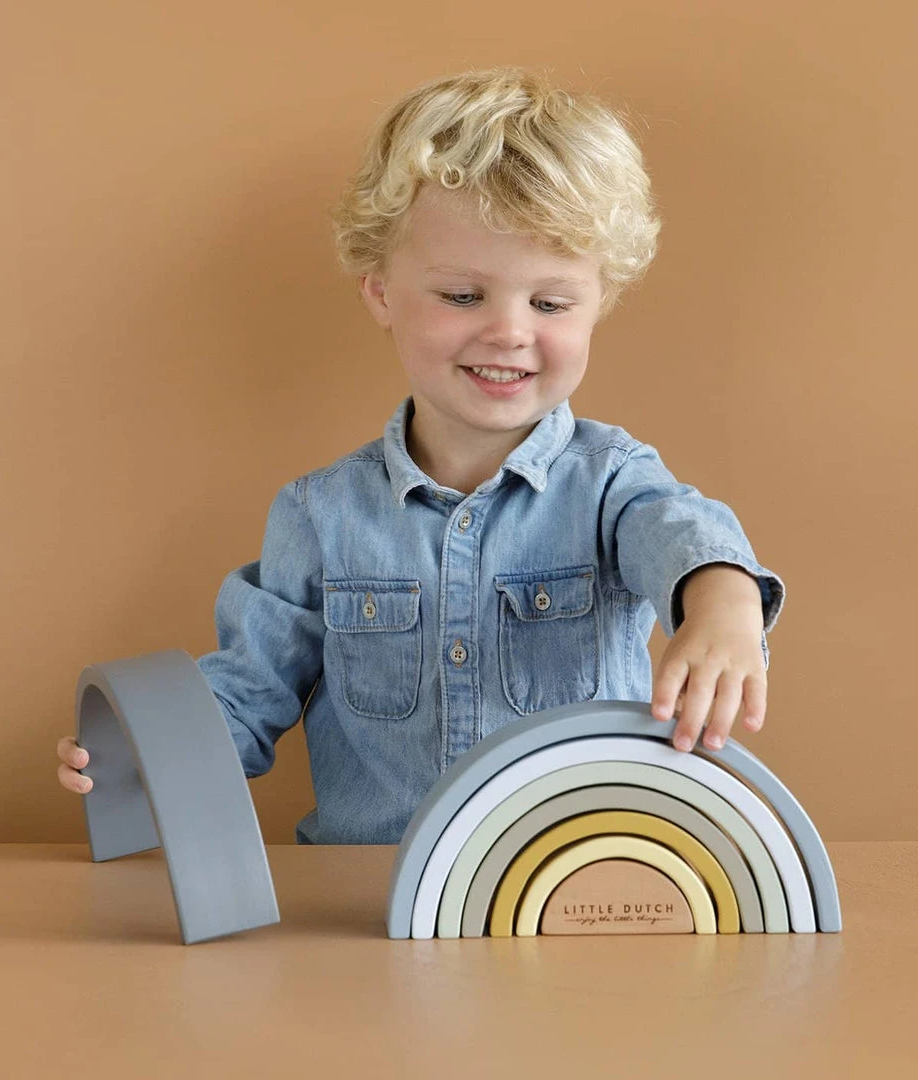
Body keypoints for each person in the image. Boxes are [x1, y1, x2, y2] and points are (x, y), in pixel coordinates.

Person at [57, 65, 784, 845]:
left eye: (550, 302)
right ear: (380, 291)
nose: (509, 332)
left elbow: (683, 534)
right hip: (371, 894)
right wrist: (149, 754)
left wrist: (725, 605)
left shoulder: (611, 483)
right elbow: (246, 692)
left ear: (597, 302)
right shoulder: (321, 514)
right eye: (463, 296)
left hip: (568, 885)